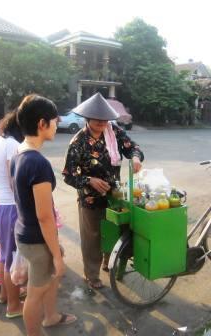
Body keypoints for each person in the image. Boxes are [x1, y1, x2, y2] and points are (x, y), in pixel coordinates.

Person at [62, 92, 144, 289]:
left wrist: (135, 157)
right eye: (97, 119)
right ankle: (92, 275)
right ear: (88, 118)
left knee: (113, 231)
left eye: (104, 119)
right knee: (92, 237)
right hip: (90, 199)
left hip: (114, 195)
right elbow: (69, 175)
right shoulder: (78, 142)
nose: (101, 122)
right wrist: (90, 180)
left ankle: (110, 262)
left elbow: (133, 147)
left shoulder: (113, 131)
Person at [11, 94, 77, 336]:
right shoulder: (38, 163)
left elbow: (17, 194)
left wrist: (55, 251)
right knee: (35, 293)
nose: (57, 124)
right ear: (42, 124)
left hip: (26, 232)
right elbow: (44, 216)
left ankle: (51, 318)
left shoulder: (19, 153)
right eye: (55, 120)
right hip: (36, 239)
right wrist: (57, 257)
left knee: (48, 280)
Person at [0, 110, 24, 318]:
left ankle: (4, 295)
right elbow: (14, 182)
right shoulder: (12, 144)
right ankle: (13, 306)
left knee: (4, 254)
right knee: (12, 258)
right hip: (11, 207)